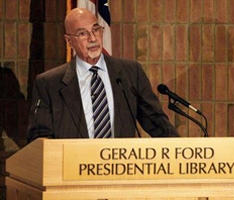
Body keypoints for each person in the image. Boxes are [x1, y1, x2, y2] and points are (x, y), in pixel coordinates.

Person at [27, 8, 179, 142]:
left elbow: (157, 122)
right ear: (69, 41)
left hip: (121, 168)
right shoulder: (49, 83)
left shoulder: (130, 72)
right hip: (73, 169)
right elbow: (40, 137)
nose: (93, 38)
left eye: (96, 30)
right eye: (82, 33)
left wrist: (181, 152)